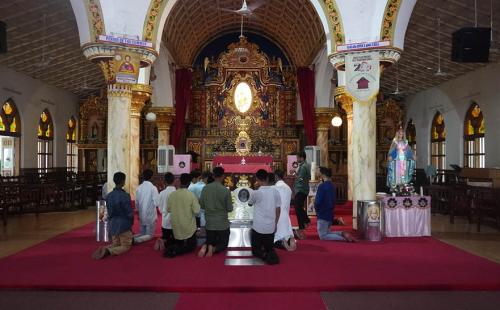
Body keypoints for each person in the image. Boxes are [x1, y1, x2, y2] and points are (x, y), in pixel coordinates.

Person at [92, 172, 134, 259]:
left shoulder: (109, 196)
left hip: (113, 225)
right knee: (126, 245)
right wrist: (131, 223)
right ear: (123, 181)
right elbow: (129, 213)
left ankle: (104, 248)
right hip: (123, 225)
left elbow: (105, 213)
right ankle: (109, 251)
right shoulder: (125, 196)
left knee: (116, 244)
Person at [198, 167, 233, 257]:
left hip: (209, 222)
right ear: (223, 176)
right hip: (222, 223)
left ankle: (205, 246)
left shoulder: (205, 188)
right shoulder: (225, 190)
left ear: (213, 176)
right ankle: (213, 249)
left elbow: (201, 204)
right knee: (224, 243)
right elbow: (229, 208)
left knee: (210, 239)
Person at [315, 167, 357, 242]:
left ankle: (344, 238)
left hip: (322, 214)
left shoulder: (322, 186)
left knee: (323, 236)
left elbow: (318, 202)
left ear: (322, 174)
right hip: (330, 214)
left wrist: (316, 209)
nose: (316, 172)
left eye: (317, 171)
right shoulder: (332, 185)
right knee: (327, 232)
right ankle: (342, 233)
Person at [248, 169, 281, 265]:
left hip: (258, 228)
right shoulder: (275, 191)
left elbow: (250, 203)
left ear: (257, 179)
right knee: (269, 247)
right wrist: (275, 224)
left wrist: (255, 188)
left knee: (255, 251)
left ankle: (264, 255)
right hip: (270, 227)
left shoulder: (256, 192)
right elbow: (278, 209)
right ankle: (269, 252)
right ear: (267, 178)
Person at [164, 173, 200, 258]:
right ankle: (174, 250)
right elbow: (197, 211)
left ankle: (172, 247)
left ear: (179, 182)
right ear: (189, 183)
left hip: (176, 227)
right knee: (192, 247)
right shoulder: (191, 195)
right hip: (189, 228)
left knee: (179, 242)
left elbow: (168, 209)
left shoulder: (172, 194)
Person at [272, 170, 296, 251]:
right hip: (286, 215)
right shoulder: (288, 188)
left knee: (273, 239)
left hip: (277, 215)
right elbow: (292, 198)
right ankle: (289, 240)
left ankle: (281, 243)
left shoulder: (274, 188)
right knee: (286, 234)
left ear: (276, 176)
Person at [134, 169, 159, 244]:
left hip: (142, 214)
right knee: (150, 235)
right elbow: (157, 202)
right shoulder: (153, 188)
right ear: (151, 177)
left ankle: (130, 238)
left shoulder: (139, 187)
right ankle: (135, 240)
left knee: (142, 233)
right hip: (150, 215)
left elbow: (136, 202)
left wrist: (138, 213)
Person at [154, 172, 176, 252]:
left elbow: (157, 204)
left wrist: (162, 210)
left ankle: (163, 241)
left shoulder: (162, 193)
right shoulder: (176, 193)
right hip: (175, 221)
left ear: (165, 182)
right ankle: (167, 243)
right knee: (175, 240)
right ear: (174, 181)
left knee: (166, 236)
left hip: (165, 220)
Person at [293, 151, 311, 239]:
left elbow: (301, 178)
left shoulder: (303, 166)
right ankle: (301, 226)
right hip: (301, 189)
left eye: (298, 158)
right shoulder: (304, 165)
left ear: (302, 158)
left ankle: (306, 220)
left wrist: (296, 176)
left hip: (301, 189)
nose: (297, 159)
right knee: (297, 207)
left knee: (297, 206)